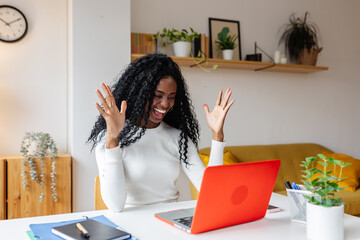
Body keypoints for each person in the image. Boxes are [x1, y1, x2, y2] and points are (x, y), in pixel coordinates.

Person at [88, 53, 234, 212]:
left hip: (170, 222)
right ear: (140, 93)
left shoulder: (178, 138)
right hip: (131, 225)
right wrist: (113, 139)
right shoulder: (108, 138)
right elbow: (115, 205)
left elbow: (212, 191)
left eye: (171, 97)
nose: (165, 104)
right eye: (158, 95)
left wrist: (217, 135)